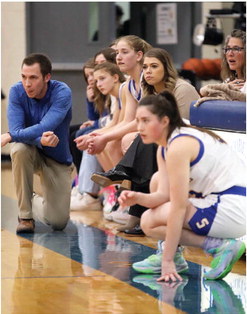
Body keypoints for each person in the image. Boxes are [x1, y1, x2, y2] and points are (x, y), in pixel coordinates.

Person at [118, 91, 246, 281]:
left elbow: (177, 208)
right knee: (156, 182)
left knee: (149, 221)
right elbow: (162, 195)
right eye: (138, 121)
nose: (140, 127)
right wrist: (137, 197)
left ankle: (215, 247)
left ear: (164, 121)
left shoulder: (179, 146)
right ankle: (181, 252)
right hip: (222, 204)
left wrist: (166, 262)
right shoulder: (167, 144)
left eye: (146, 120)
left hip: (231, 209)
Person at [92, 47, 199, 233]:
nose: (148, 71)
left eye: (154, 66)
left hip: (190, 142)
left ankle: (125, 177)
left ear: (166, 68)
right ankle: (132, 203)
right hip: (167, 142)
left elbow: (183, 127)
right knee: (146, 143)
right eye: (146, 67)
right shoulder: (150, 94)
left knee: (147, 140)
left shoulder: (183, 89)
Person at [1, 53, 73, 233]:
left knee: (58, 222)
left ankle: (30, 198)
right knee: (19, 149)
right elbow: (18, 131)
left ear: (47, 77)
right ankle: (25, 216)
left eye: (33, 77)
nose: (27, 83)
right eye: (24, 77)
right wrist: (39, 140)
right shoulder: (17, 92)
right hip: (31, 151)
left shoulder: (62, 92)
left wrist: (10, 135)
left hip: (57, 158)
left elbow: (45, 125)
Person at [71, 62, 126, 211]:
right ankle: (114, 191)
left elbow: (124, 122)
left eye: (102, 79)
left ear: (115, 77)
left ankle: (122, 192)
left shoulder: (123, 90)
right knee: (96, 141)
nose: (98, 84)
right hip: (125, 129)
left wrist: (100, 136)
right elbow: (114, 122)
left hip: (135, 133)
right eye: (96, 81)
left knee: (107, 143)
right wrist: (94, 135)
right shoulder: (115, 95)